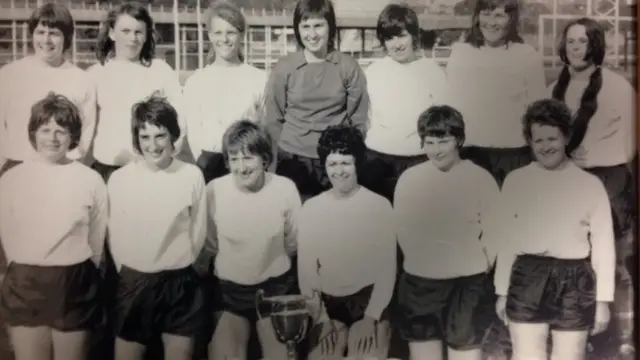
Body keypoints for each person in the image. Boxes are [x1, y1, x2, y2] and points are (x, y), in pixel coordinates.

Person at [494, 99, 615, 360]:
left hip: (574, 279)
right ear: (529, 142)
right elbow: (506, 241)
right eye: (539, 140)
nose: (546, 147)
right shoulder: (516, 181)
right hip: (527, 275)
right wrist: (502, 291)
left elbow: (604, 247)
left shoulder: (589, 184)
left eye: (552, 138)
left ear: (566, 138)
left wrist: (603, 302)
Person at [549, 18, 637, 357]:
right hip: (568, 183)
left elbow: (631, 143)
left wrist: (593, 156)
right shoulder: (555, 86)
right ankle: (579, 329)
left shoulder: (617, 87)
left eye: (582, 41)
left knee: (614, 257)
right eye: (570, 41)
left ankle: (625, 335)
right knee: (575, 256)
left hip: (609, 182)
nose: (575, 48)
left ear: (594, 45)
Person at [0, 93, 107, 360]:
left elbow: (96, 238)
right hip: (26, 283)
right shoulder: (12, 178)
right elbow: (7, 235)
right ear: (33, 133)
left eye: (61, 131)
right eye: (45, 130)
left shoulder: (91, 179)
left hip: (74, 283)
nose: (53, 138)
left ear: (73, 136)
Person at [393, 105, 501, 360]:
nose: (436, 150)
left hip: (467, 287)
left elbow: (495, 231)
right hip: (421, 287)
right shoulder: (409, 179)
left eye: (443, 141)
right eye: (429, 142)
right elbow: (403, 231)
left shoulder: (481, 178)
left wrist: (482, 264)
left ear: (459, 140)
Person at [107, 96, 207, 360]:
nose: (153, 145)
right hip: (135, 283)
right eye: (145, 137)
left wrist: (180, 264)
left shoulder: (191, 175)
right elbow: (114, 234)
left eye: (160, 136)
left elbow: (198, 232)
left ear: (173, 136)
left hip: (179, 284)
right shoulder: (120, 179)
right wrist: (131, 273)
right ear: (136, 139)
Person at [297, 124, 396, 360]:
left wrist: (371, 317)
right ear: (324, 166)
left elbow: (387, 270)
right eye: (332, 164)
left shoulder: (379, 206)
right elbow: (306, 272)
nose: (339, 171)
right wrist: (320, 318)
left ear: (357, 164)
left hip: (369, 301)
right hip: (327, 305)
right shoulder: (312, 208)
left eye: (345, 163)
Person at [206, 120, 302, 360]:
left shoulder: (285, 189)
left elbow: (294, 242)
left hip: (276, 290)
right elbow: (210, 243)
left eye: (248, 158)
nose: (241, 167)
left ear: (264, 159)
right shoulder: (214, 190)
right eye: (234, 158)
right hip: (229, 292)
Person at [264, 0, 369, 202]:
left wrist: (344, 156)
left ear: (330, 26)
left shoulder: (348, 66)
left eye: (318, 25)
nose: (312, 35)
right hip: (293, 158)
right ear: (297, 29)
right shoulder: (285, 67)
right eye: (305, 26)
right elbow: (273, 118)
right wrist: (283, 154)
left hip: (334, 159)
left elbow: (358, 119)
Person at [445, 0, 547, 187]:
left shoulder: (527, 56)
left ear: (511, 19)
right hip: (470, 155)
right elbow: (452, 110)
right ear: (477, 16)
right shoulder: (461, 53)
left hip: (514, 156)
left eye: (499, 15)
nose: (491, 22)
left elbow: (538, 114)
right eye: (486, 14)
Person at [89, 2, 185, 183]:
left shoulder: (161, 71)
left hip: (151, 170)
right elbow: (85, 124)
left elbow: (180, 121)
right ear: (111, 33)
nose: (132, 38)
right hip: (107, 170)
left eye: (138, 32)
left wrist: (164, 158)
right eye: (125, 31)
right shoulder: (96, 74)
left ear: (146, 35)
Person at [362, 2, 447, 202]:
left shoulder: (432, 71)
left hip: (418, 160)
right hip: (378, 160)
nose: (397, 44)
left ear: (414, 36)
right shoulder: (373, 72)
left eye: (402, 35)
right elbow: (366, 117)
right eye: (390, 38)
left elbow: (442, 122)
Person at [0, 2, 96, 175]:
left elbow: (86, 130)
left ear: (66, 38)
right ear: (32, 35)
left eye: (54, 34)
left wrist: (71, 163)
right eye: (40, 32)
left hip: (63, 169)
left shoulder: (82, 79)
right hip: (17, 166)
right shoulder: (9, 74)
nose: (46, 40)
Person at [184, 0, 267, 184]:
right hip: (209, 164)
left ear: (242, 34)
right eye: (218, 33)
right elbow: (193, 130)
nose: (225, 39)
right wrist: (203, 161)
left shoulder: (259, 78)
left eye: (231, 32)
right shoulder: (196, 81)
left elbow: (264, 125)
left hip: (247, 162)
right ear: (210, 36)